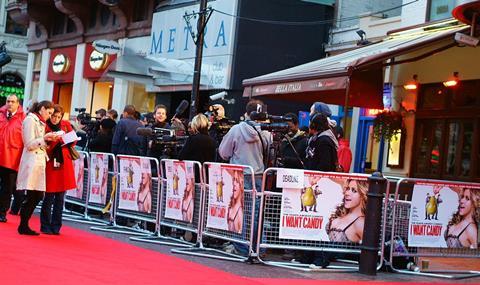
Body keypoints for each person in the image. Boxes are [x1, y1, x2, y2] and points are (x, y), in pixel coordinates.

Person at [16, 100, 59, 235]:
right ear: (42, 109)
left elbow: (38, 142)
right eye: (49, 112)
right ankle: (23, 225)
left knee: (37, 194)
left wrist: (47, 140)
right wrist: (45, 139)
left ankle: (24, 224)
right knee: (34, 194)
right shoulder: (30, 120)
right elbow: (29, 143)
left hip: (38, 161)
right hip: (32, 161)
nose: (50, 116)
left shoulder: (39, 121)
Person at [40, 105, 77, 235]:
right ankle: (45, 224)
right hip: (51, 162)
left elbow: (73, 142)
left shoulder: (66, 124)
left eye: (59, 117)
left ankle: (56, 225)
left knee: (60, 197)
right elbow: (44, 145)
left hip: (64, 163)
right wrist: (55, 139)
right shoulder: (45, 126)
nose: (56, 119)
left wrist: (68, 139)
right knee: (49, 196)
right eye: (54, 116)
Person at [0, 95, 26, 221]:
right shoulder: (0, 115)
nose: (10, 104)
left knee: (7, 188)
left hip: (12, 159)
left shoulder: (23, 119)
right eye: (8, 101)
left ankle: (2, 212)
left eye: (12, 102)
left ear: (18, 104)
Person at [326, 179, 368, 243]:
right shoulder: (341, 214)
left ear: (363, 195)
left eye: (354, 191)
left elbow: (370, 250)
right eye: (348, 189)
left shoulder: (360, 222)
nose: (347, 193)